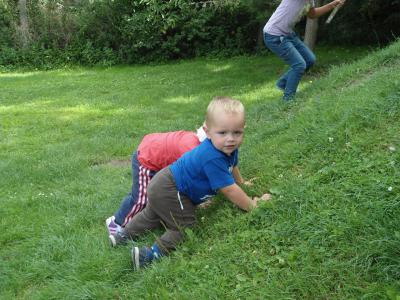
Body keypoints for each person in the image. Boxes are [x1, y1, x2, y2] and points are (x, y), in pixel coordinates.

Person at [110, 97, 271, 270]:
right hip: (171, 189)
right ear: (207, 132)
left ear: (243, 130)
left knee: (152, 215)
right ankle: (148, 255)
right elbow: (230, 190)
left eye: (237, 133)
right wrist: (252, 205)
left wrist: (242, 181)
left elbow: (232, 166)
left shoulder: (226, 148)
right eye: (222, 133)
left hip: (162, 183)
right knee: (184, 227)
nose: (230, 139)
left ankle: (122, 236)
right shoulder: (212, 157)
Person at [106, 125, 207, 237]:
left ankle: (156, 218)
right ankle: (116, 223)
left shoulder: (196, 145)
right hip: (147, 159)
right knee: (141, 198)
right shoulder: (192, 151)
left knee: (156, 195)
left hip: (157, 155)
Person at [263, 0, 346, 101]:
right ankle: (288, 99)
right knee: (299, 64)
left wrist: (331, 5)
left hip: (288, 33)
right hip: (274, 35)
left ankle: (283, 83)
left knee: (309, 59)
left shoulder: (310, 1)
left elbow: (312, 14)